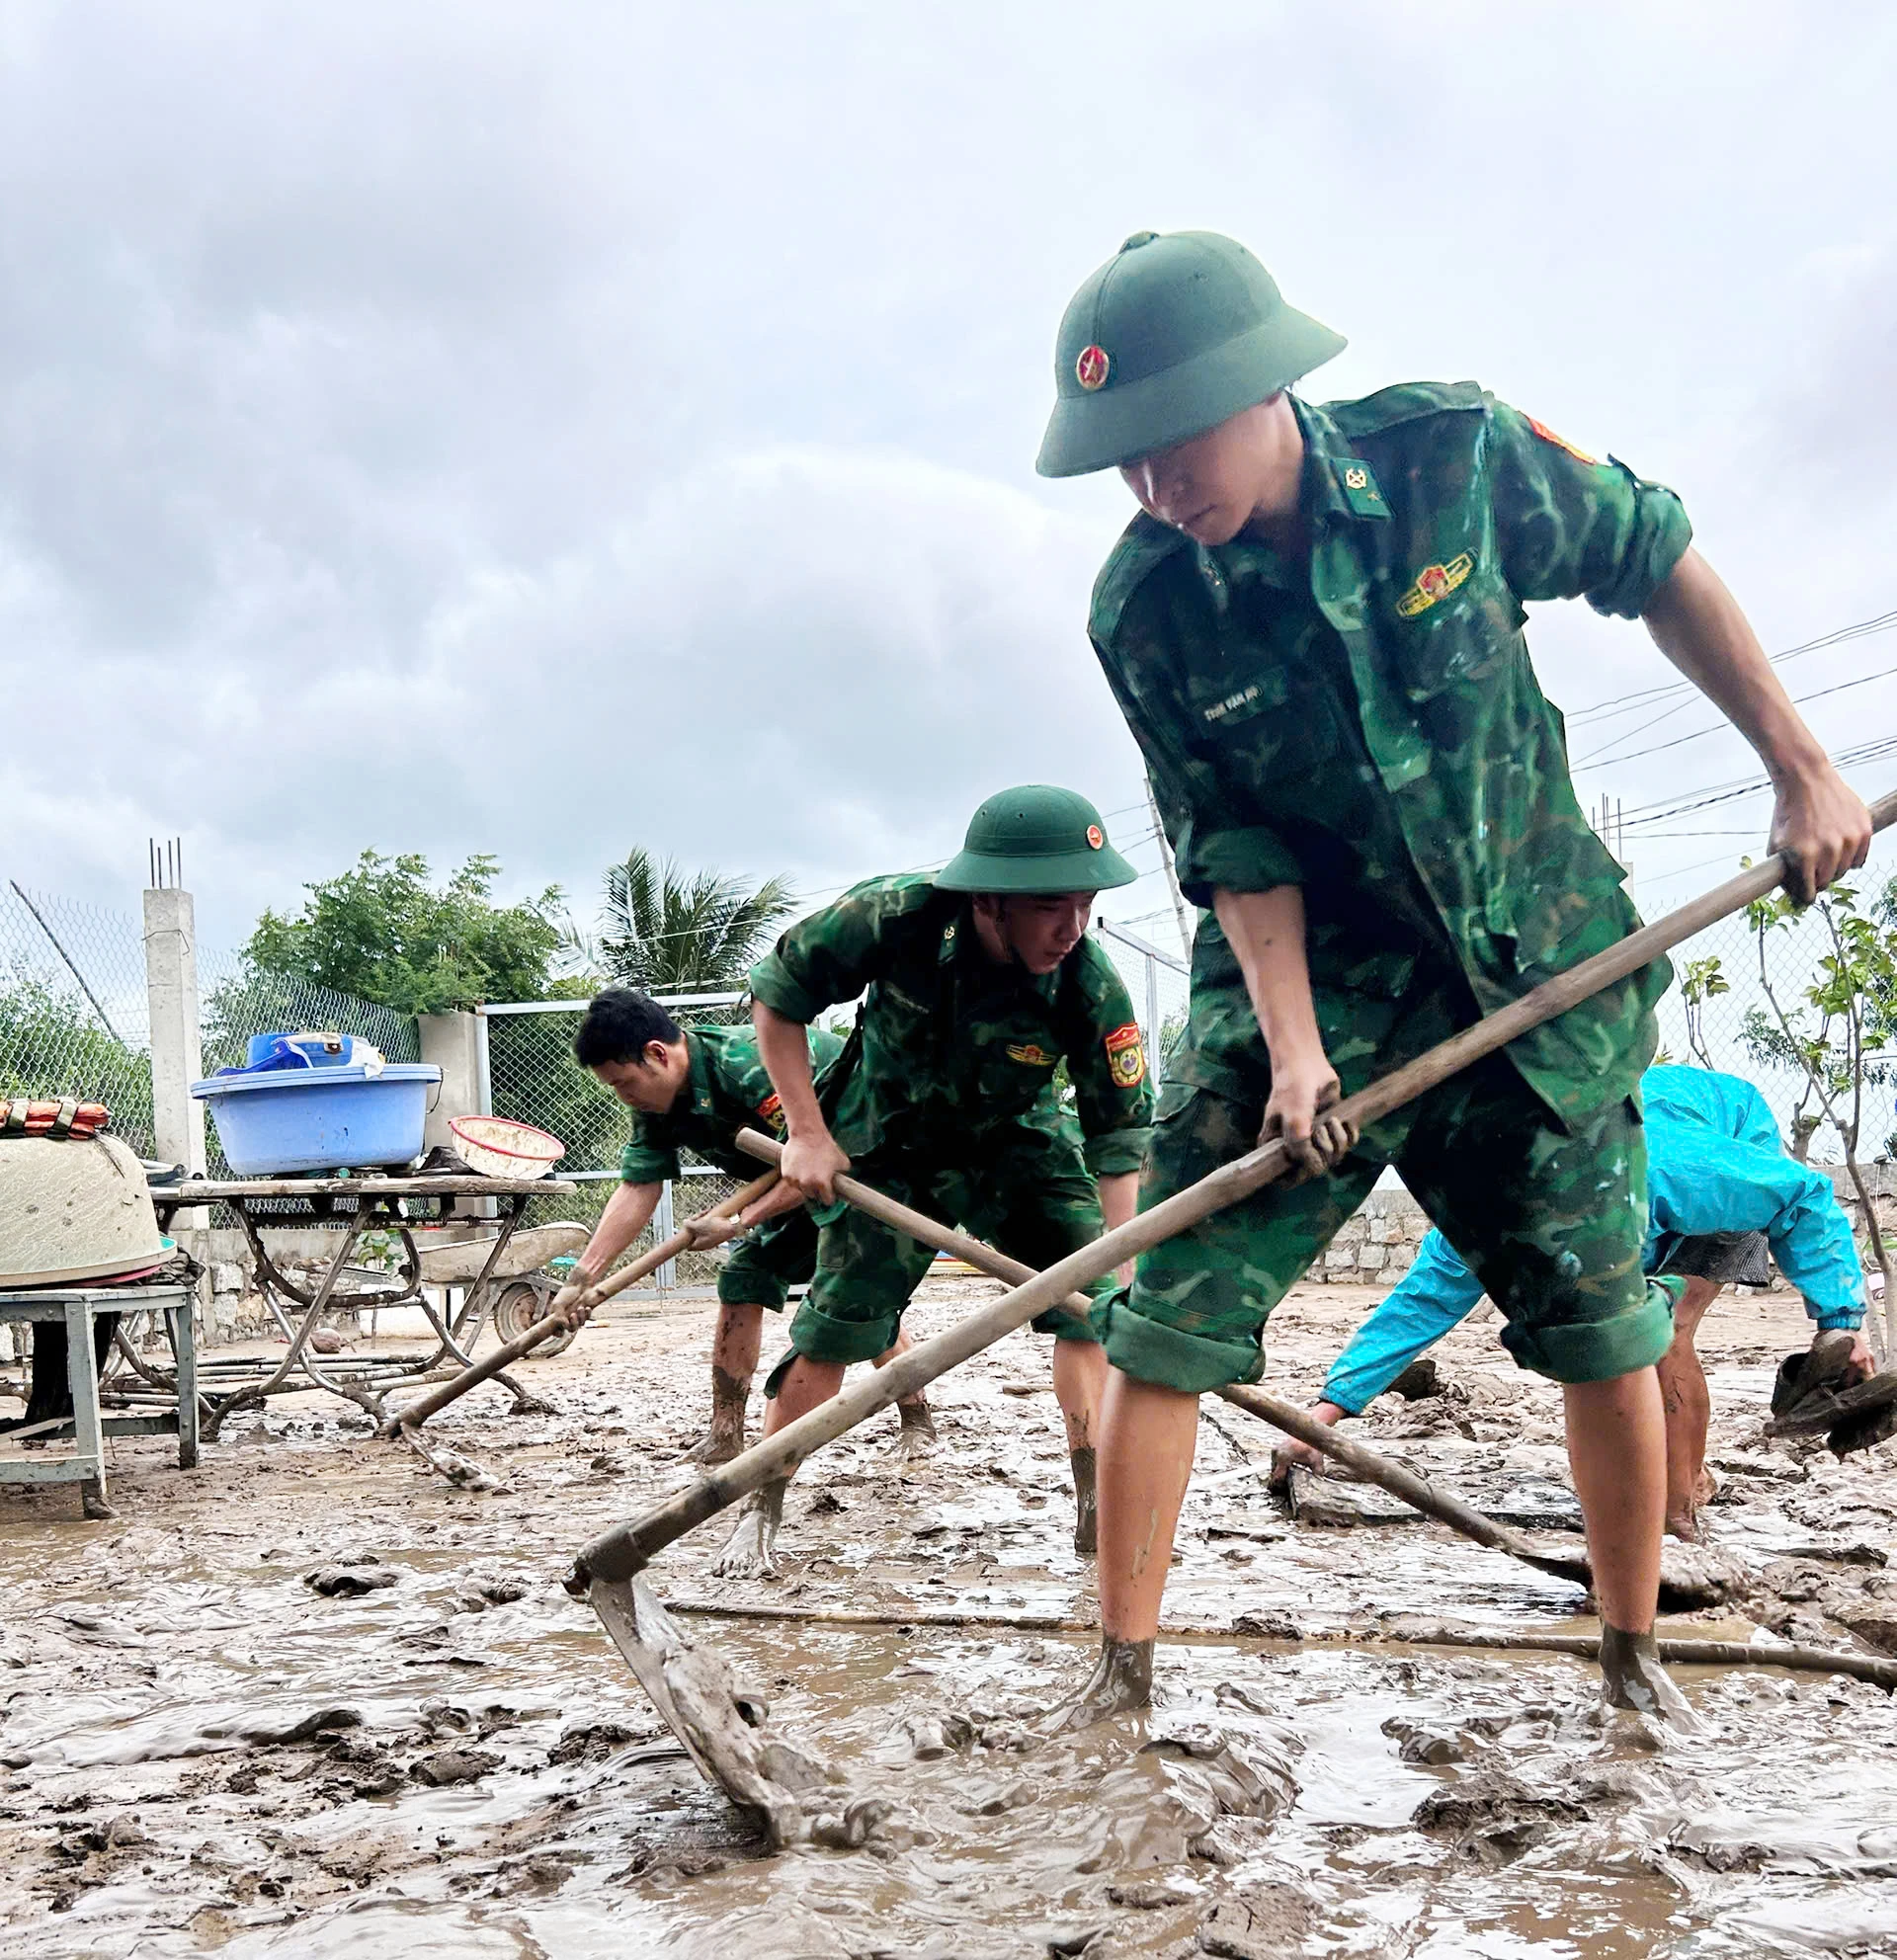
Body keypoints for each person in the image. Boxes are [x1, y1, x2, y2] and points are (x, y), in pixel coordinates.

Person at [1034, 227, 1873, 1723]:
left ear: (1266, 386)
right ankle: (1120, 1683)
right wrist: (1293, 1051)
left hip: (1532, 971)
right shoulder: (1145, 609)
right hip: (1307, 986)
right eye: (1126, 464)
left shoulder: (1455, 459)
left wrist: (1801, 768)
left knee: (1603, 1325)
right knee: (1166, 1318)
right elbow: (1230, 842)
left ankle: (1631, 1662)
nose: (1157, 488)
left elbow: (1654, 552)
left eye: (1173, 445)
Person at [714, 784, 1156, 1575]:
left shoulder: (1090, 986)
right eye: (1052, 906)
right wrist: (807, 1136)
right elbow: (777, 1000)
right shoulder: (890, 918)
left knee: (1090, 1306)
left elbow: (1119, 1144)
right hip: (886, 1147)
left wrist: (1124, 1271)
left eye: (1087, 904)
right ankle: (761, 1504)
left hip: (1017, 1144)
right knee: (835, 1328)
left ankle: (1095, 1503)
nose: (1073, 928)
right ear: (991, 899)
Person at [1269, 1064, 1874, 1541]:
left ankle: (1681, 1511)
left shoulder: (1684, 1173)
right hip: (1618, 1191)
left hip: (1719, 1130)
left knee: (1669, 1335)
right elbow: (1415, 1309)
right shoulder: (1481, 1217)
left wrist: (1840, 1326)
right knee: (1607, 1336)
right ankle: (1680, 1475)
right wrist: (1319, 1421)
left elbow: (1807, 1197)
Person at [557, 986, 934, 1463]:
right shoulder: (656, 1102)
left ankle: (915, 1415)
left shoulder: (750, 1068)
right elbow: (639, 1186)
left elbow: (823, 1161)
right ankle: (725, 1435)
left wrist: (735, 1222)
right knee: (743, 1278)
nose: (623, 1095)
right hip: (790, 1182)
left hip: (868, 1171)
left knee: (856, 1299)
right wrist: (584, 1277)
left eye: (624, 1082)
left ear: (657, 1054)